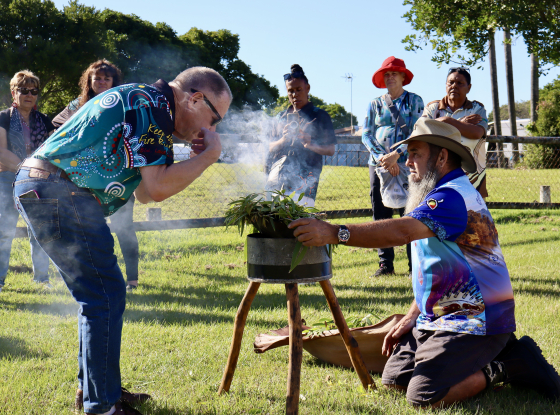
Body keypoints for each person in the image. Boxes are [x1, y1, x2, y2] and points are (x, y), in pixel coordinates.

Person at [288, 118, 560, 408]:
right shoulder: (442, 193)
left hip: (477, 320)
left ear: (441, 157)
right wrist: (411, 315)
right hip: (443, 315)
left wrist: (335, 232)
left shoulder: (451, 197)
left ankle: (511, 363)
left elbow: (401, 231)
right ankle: (493, 353)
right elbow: (439, 270)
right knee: (395, 381)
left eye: (415, 154)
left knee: (424, 397)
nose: (407, 163)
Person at [13, 66, 232, 415]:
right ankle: (102, 405)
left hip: (43, 187)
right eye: (215, 118)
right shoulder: (155, 106)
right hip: (61, 191)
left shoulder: (147, 101)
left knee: (100, 295)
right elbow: (158, 189)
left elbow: (145, 192)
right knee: (105, 294)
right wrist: (207, 157)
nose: (212, 128)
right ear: (195, 99)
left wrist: (194, 156)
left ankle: (98, 392)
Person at [53, 59, 140, 293]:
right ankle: (92, 275)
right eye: (97, 78)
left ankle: (132, 279)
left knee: (124, 227)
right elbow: (57, 127)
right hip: (83, 179)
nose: (102, 82)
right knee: (88, 227)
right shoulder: (78, 104)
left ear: (114, 81)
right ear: (89, 81)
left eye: (106, 78)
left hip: (117, 176)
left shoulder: (124, 104)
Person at [362, 56, 424, 277]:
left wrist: (397, 155)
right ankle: (385, 263)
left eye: (393, 74)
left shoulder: (415, 101)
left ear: (402, 77)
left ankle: (413, 264)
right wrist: (383, 159)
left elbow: (418, 132)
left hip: (408, 163)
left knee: (410, 213)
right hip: (378, 166)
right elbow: (367, 134)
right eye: (386, 74)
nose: (389, 77)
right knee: (381, 214)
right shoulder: (374, 104)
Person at [0, 70, 55, 292]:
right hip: (7, 181)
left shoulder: (45, 121)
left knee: (40, 231)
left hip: (39, 183)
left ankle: (42, 280)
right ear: (14, 92)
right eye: (24, 90)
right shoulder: (2, 117)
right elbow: (1, 153)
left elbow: (52, 153)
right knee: (4, 231)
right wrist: (30, 168)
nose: (29, 95)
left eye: (34, 91)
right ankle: (0, 281)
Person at [265, 64, 336, 207]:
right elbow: (269, 147)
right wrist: (283, 140)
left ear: (307, 88)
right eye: (290, 91)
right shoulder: (280, 117)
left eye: (298, 90)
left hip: (305, 183)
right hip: (276, 179)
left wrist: (310, 144)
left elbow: (330, 150)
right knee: (274, 223)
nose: (294, 94)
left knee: (300, 223)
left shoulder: (320, 116)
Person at [422, 67, 489, 197]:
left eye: (460, 83)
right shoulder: (433, 108)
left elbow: (476, 133)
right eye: (450, 82)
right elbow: (425, 130)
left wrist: (448, 122)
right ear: (446, 85)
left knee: (472, 214)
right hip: (438, 173)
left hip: (471, 176)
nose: (454, 86)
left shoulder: (477, 108)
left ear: (469, 88)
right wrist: (461, 124)